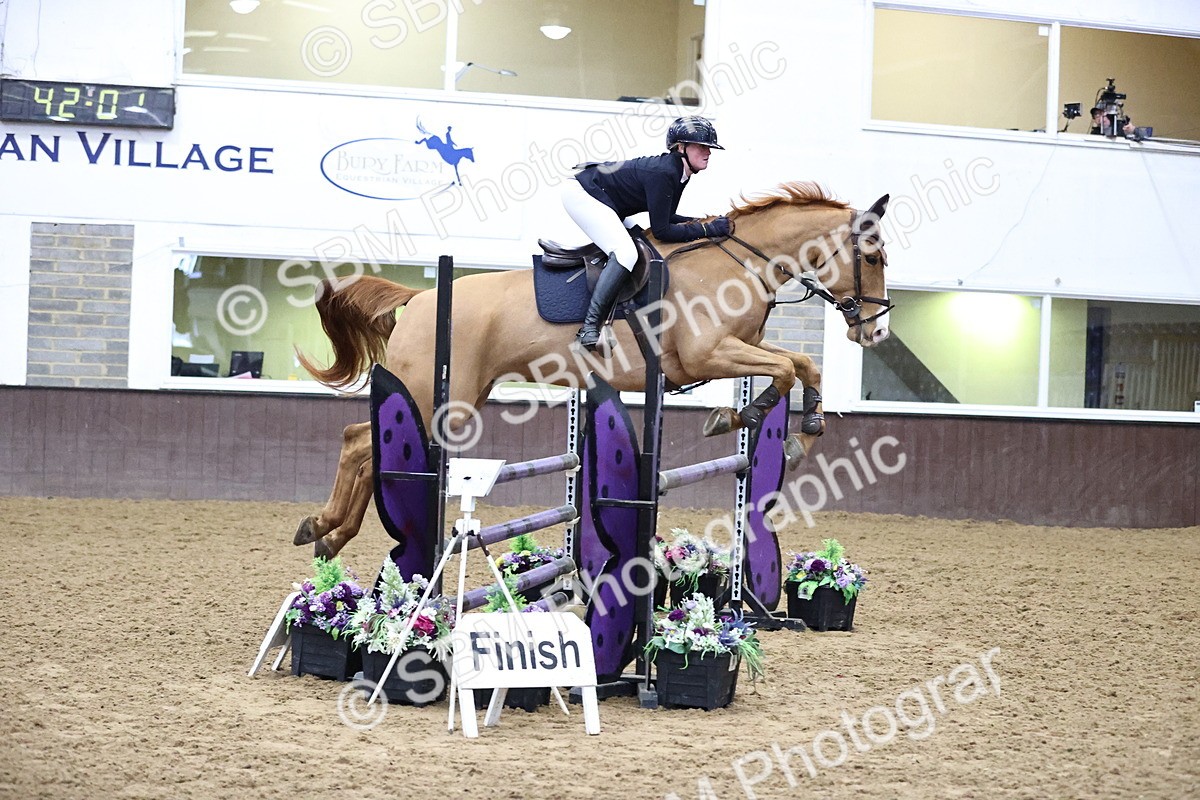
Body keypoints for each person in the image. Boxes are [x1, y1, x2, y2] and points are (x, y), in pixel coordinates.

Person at [561, 115, 731, 350]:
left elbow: (667, 217)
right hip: (583, 193)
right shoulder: (665, 173)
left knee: (642, 241)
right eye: (702, 146)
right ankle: (589, 328)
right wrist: (706, 229)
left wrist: (701, 221)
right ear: (681, 147)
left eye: (709, 147)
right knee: (625, 253)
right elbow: (663, 231)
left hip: (606, 198)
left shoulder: (679, 172)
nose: (708, 153)